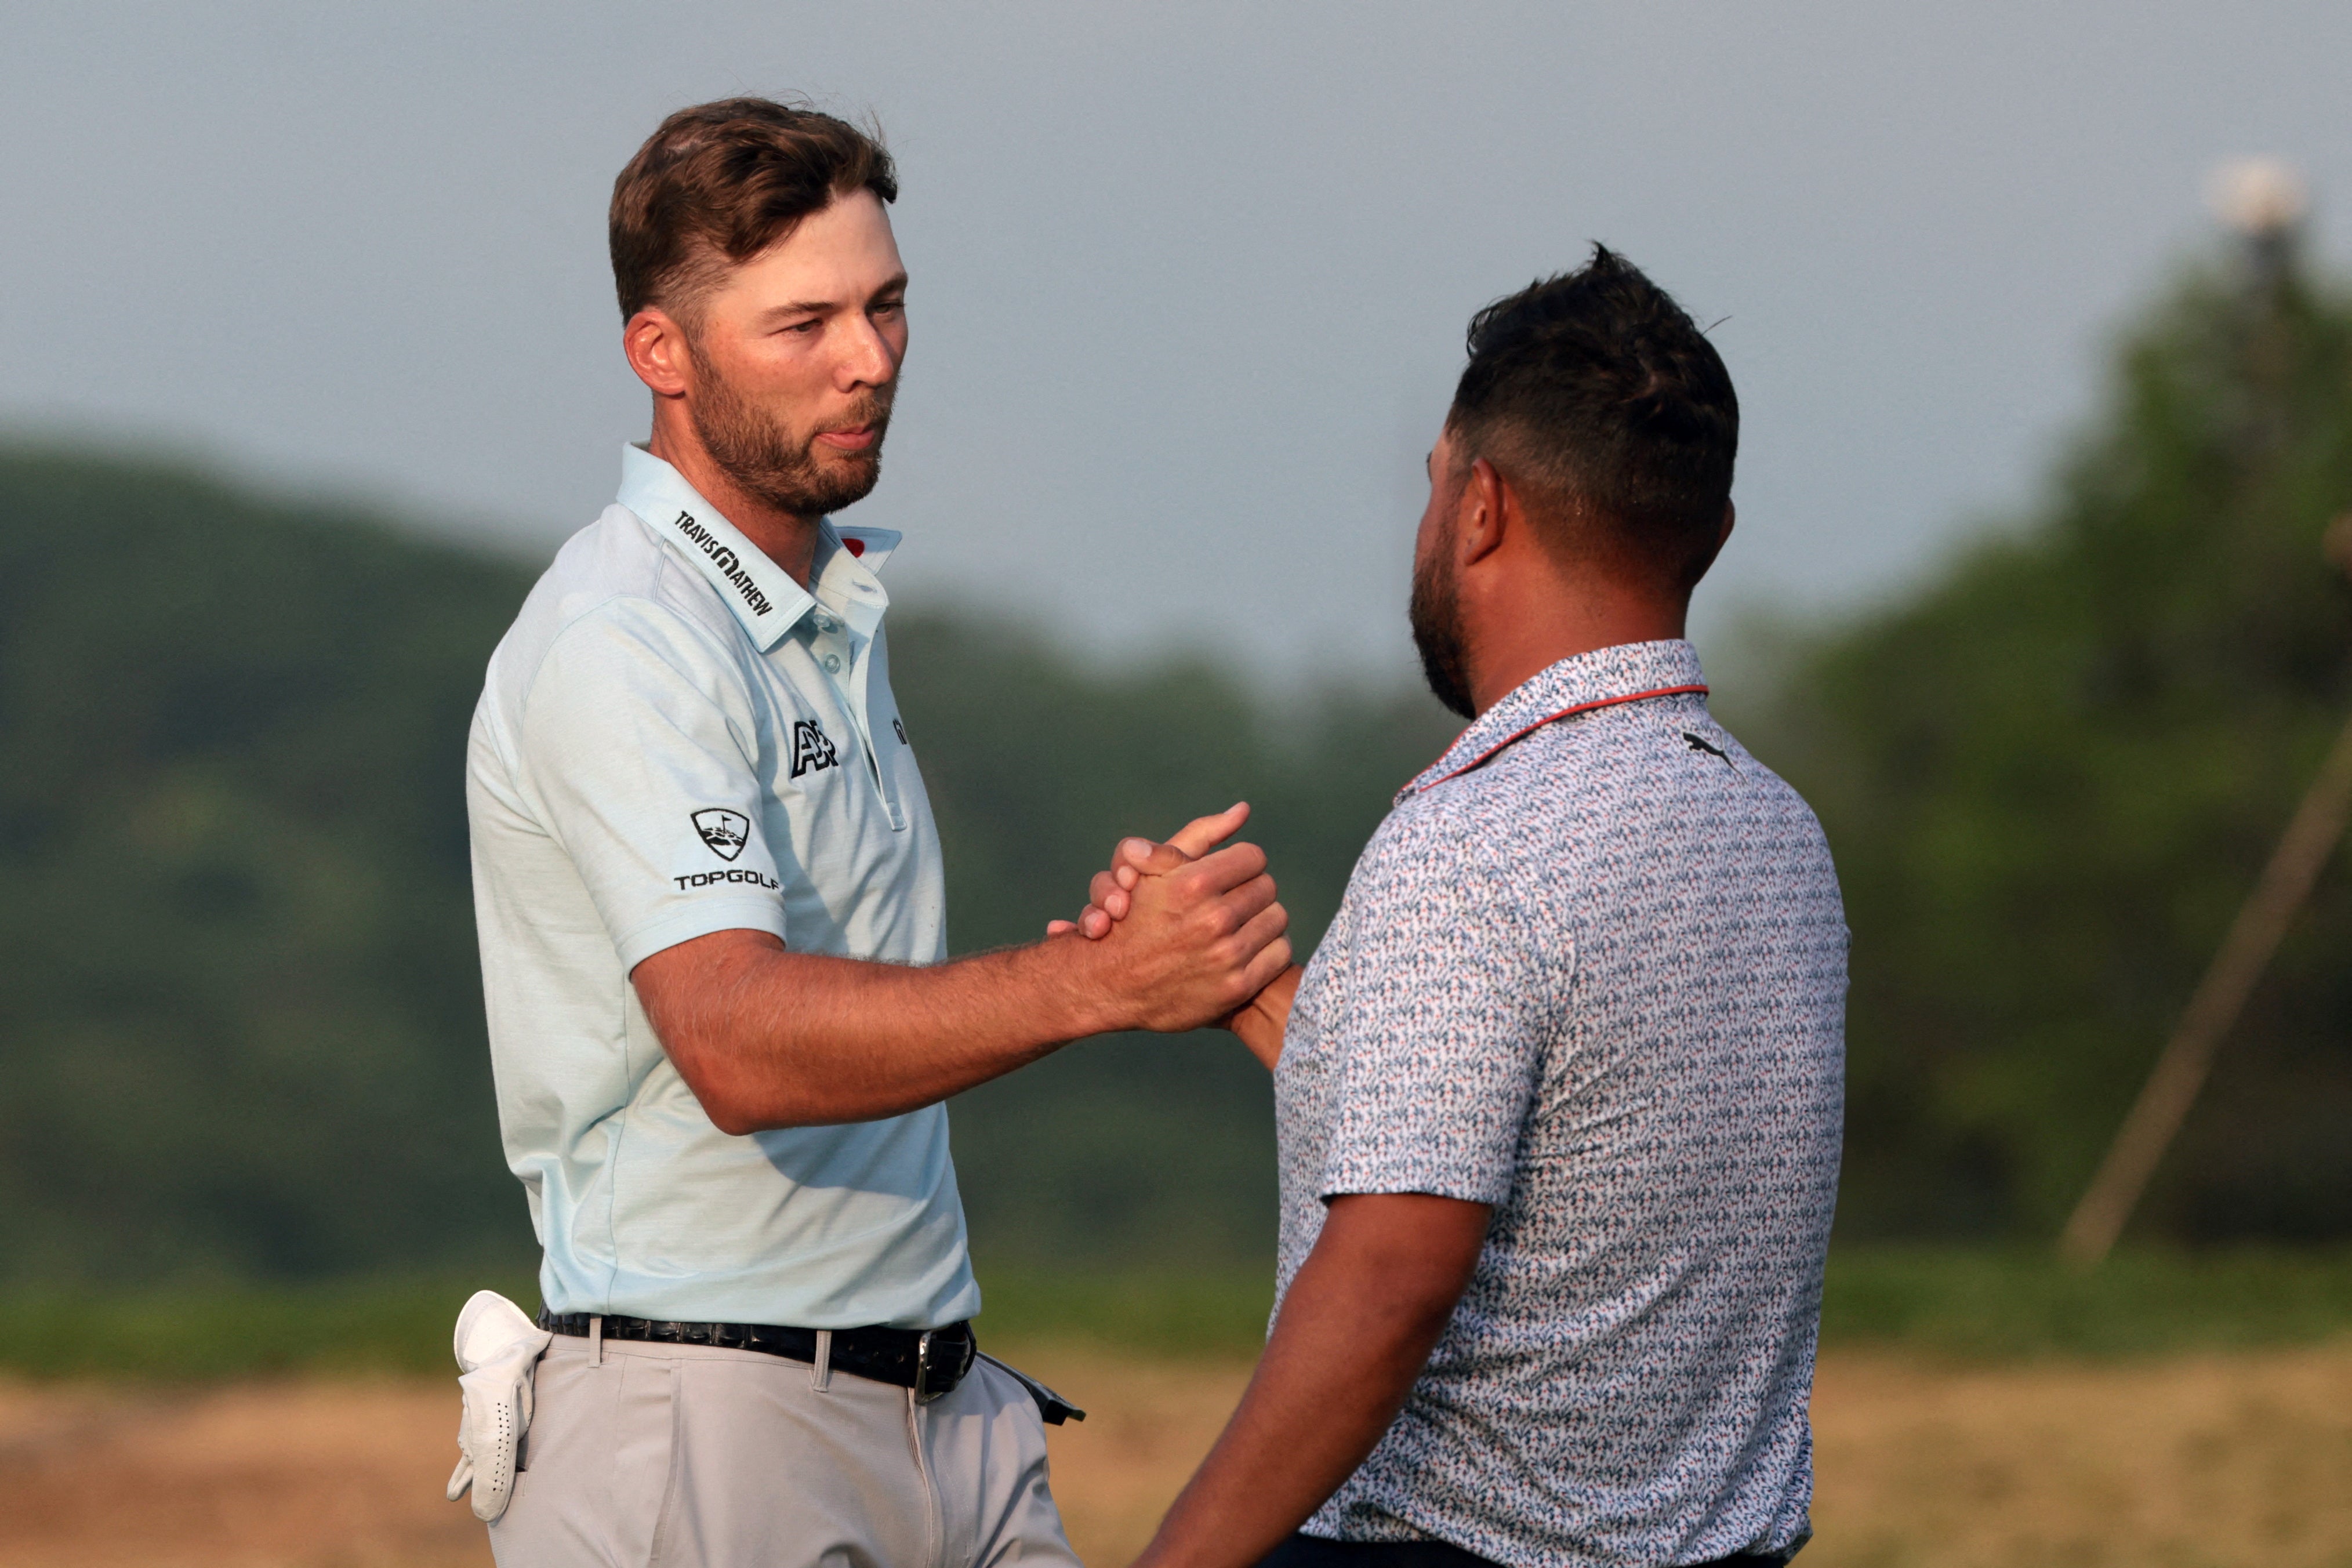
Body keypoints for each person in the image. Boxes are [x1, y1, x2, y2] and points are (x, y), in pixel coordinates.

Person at [458, 98, 1292, 1566]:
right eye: (805, 325)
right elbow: (735, 1037)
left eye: (887, 304)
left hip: (944, 1399)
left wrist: (1113, 946)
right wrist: (1098, 983)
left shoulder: (822, 597)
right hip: (705, 1424)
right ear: (661, 353)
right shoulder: (625, 635)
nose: (871, 360)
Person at [1065, 247, 1848, 1568]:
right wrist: (1275, 1009)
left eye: (1432, 489)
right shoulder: (1776, 831)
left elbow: (1391, 1279)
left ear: (1479, 506)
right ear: (1707, 531)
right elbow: (1570, 1163)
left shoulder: (1471, 840)